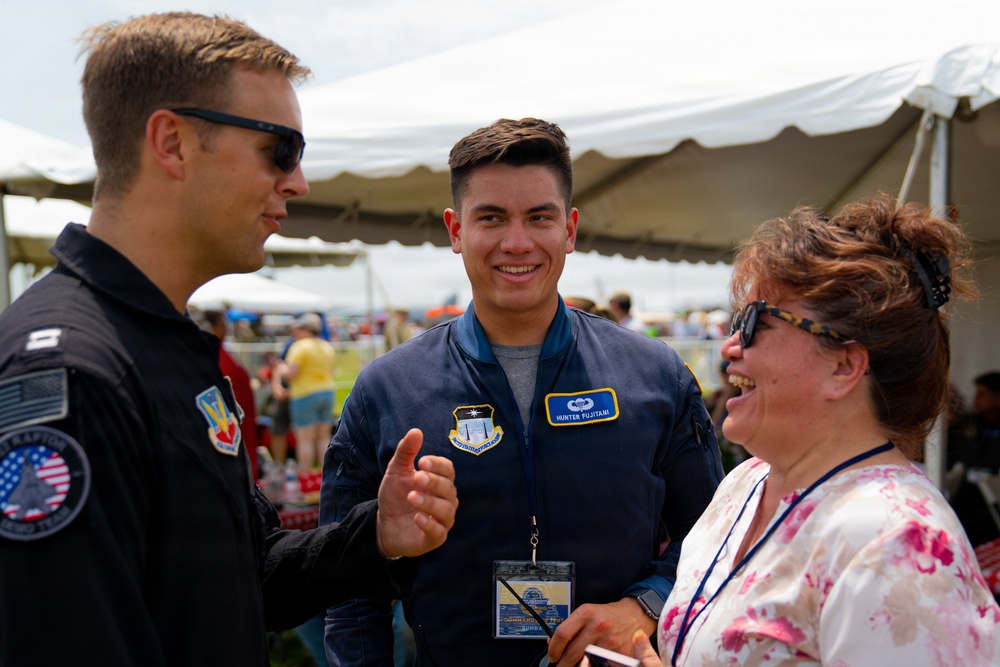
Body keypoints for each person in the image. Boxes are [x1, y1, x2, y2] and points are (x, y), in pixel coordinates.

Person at [0, 13, 457, 666]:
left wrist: (375, 537)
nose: (297, 181)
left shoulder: (163, 346)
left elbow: (248, 574)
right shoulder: (74, 371)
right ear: (173, 142)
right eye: (282, 150)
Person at [320, 117, 724, 667]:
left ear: (571, 229)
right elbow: (348, 585)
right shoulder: (388, 390)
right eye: (491, 218)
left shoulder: (655, 377)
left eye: (539, 217)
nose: (517, 242)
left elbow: (714, 538)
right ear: (456, 230)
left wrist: (646, 604)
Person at [616, 194, 1000, 667]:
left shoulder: (899, 541)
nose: (730, 348)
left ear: (843, 365)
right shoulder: (745, 483)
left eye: (755, 322)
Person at [273, 312, 337, 470]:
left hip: (305, 394)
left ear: (304, 329)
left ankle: (306, 476)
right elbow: (331, 370)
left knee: (305, 440)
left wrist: (281, 368)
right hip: (327, 391)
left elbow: (291, 373)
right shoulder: (326, 346)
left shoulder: (300, 346)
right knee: (323, 438)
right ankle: (324, 477)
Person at [203, 309, 260, 479]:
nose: (225, 330)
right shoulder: (212, 354)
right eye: (221, 326)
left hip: (241, 419)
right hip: (226, 422)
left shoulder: (223, 351)